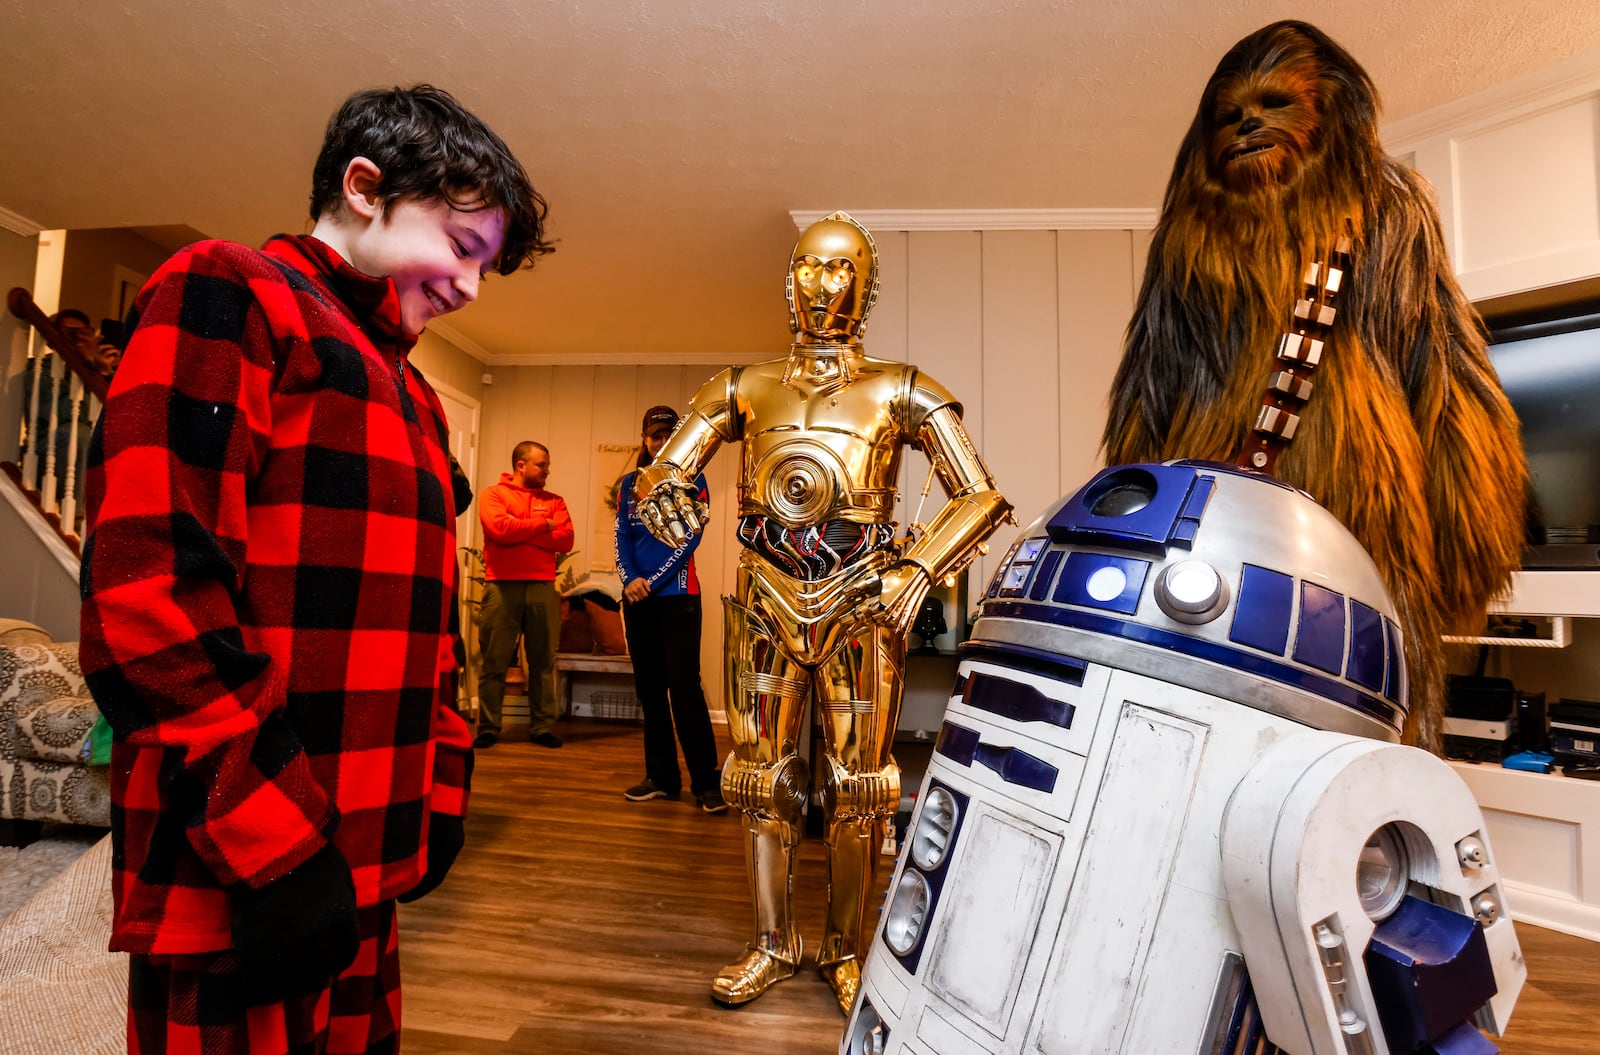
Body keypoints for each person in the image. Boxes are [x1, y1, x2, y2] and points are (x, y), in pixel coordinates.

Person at [79, 84, 552, 1054]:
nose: (472, 285)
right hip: (244, 867)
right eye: (464, 247)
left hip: (367, 863)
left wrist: (443, 786)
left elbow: (431, 624)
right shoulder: (229, 288)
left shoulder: (413, 394)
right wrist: (276, 846)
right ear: (365, 186)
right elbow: (148, 592)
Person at [633, 212, 1011, 1012]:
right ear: (788, 280)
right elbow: (665, 468)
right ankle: (772, 941)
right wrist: (659, 491)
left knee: (859, 787)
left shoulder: (902, 387)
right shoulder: (741, 385)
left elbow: (979, 493)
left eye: (841, 269)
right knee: (761, 781)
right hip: (767, 597)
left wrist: (918, 566)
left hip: (864, 600)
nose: (820, 282)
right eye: (808, 265)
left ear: (865, 288)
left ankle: (846, 946)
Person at [614, 405, 727, 813]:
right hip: (637, 600)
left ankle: (706, 784)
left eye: (668, 435)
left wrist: (652, 582)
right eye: (654, 435)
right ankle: (662, 777)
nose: (660, 442)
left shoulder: (692, 480)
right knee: (650, 691)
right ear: (644, 438)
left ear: (679, 438)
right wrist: (629, 580)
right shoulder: (628, 485)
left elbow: (689, 541)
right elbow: (621, 537)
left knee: (684, 690)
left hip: (678, 598)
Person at [476, 440, 574, 749]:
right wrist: (543, 526)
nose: (547, 470)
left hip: (542, 587)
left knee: (542, 662)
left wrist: (520, 532)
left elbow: (565, 540)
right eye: (541, 464)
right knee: (494, 662)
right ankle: (489, 727)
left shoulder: (555, 500)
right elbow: (498, 529)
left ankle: (541, 727)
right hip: (500, 587)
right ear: (521, 465)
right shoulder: (493, 495)